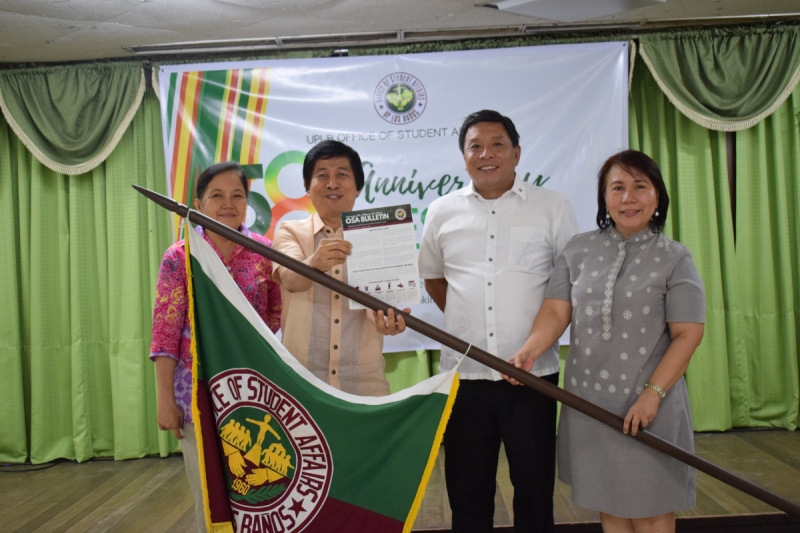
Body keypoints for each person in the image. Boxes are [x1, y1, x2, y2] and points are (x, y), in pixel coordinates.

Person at [507, 150, 705, 533]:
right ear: (604, 198)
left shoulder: (676, 258)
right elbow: (554, 313)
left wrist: (651, 395)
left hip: (650, 407)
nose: (628, 198)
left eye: (639, 187)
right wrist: (530, 349)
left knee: (651, 511)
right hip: (591, 406)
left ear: (657, 196)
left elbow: (688, 335)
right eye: (617, 188)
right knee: (610, 508)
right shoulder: (578, 250)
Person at [418, 110, 579, 532]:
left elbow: (566, 287)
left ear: (517, 153)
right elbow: (434, 278)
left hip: (533, 378)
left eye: (497, 144)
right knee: (467, 495)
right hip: (464, 378)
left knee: (534, 491)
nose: (486, 154)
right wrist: (463, 318)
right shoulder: (441, 211)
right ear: (463, 156)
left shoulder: (553, 207)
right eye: (475, 146)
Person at [149, 161, 282, 532]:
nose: (228, 204)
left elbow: (273, 320)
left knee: (258, 490)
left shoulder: (264, 253)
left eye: (237, 195)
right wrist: (164, 401)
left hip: (252, 395)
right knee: (209, 495)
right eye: (217, 196)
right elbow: (165, 334)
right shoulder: (180, 257)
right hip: (196, 397)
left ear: (247, 202)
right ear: (199, 203)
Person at [272, 140, 406, 396]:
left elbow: (380, 305)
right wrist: (314, 262)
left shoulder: (379, 234)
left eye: (342, 175)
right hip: (300, 387)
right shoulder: (290, 231)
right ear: (306, 187)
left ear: (357, 187)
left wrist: (387, 321)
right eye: (322, 175)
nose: (332, 183)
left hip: (364, 385)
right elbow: (290, 280)